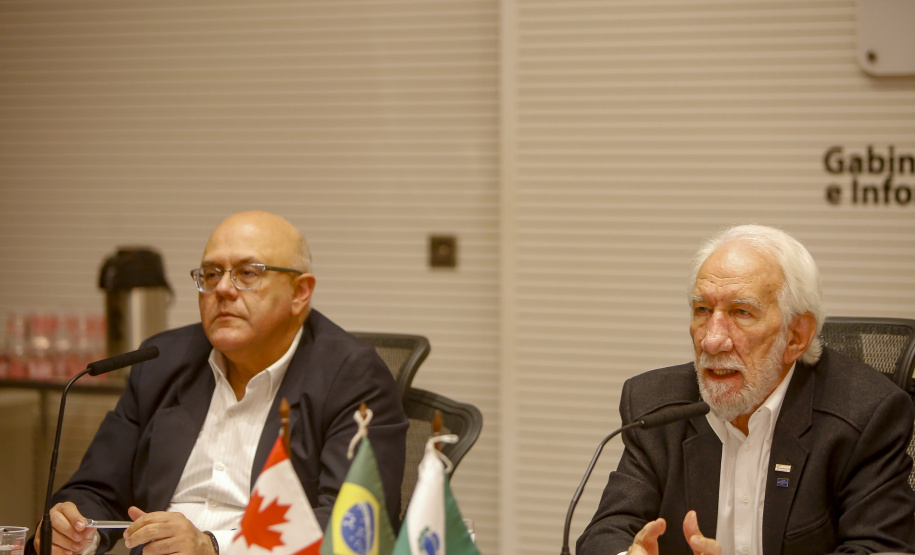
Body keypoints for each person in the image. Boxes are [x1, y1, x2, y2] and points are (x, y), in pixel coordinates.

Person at [32, 211, 408, 555]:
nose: (223, 289)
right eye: (211, 274)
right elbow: (97, 487)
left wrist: (212, 546)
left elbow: (355, 524)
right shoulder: (162, 360)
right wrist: (76, 529)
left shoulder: (352, 375)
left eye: (248, 273)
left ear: (300, 293)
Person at [577, 224, 915, 555]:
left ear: (795, 337)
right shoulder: (656, 406)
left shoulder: (865, 413)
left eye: (741, 312)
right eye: (702, 310)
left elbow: (881, 548)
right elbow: (607, 531)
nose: (711, 339)